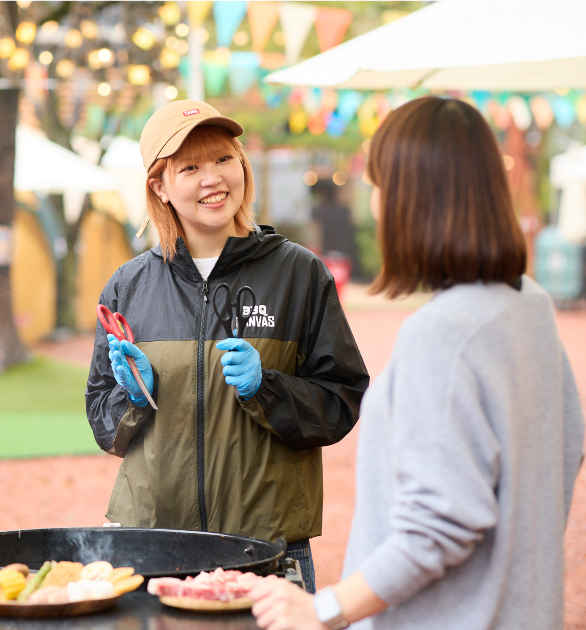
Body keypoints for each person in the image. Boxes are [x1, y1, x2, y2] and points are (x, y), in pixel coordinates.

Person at [250, 96, 585, 630]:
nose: (376, 204)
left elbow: (437, 528)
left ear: (411, 198)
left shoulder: (444, 334)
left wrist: (322, 608)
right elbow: (566, 448)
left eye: (378, 185)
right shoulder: (531, 304)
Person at [85, 100, 370, 593]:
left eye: (223, 159)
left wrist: (269, 389)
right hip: (153, 544)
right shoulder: (127, 287)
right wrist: (132, 399)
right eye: (190, 167)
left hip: (266, 545)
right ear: (160, 185)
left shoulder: (299, 274)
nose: (212, 179)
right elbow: (103, 421)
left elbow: (342, 400)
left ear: (242, 163)